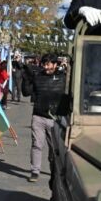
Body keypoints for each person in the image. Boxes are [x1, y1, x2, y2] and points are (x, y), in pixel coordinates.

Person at [28, 53, 66, 183]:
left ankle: (54, 171)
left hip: (54, 119)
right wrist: (27, 76)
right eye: (44, 64)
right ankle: (35, 171)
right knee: (37, 144)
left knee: (53, 149)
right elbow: (26, 91)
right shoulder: (38, 77)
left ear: (55, 65)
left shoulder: (64, 78)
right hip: (38, 116)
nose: (46, 67)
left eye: (48, 64)